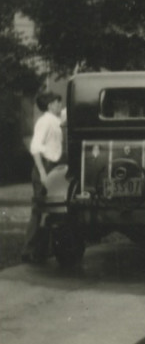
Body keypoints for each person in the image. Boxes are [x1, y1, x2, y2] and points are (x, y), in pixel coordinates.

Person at [22, 91, 63, 264]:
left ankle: (43, 251)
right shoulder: (44, 122)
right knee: (39, 210)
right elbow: (35, 148)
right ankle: (29, 250)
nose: (60, 105)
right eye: (57, 102)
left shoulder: (56, 121)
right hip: (45, 167)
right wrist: (42, 173)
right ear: (49, 105)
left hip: (55, 167)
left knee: (52, 210)